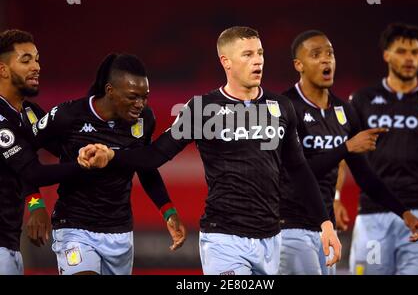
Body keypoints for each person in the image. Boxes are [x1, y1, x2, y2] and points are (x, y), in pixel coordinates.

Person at [78, 26, 341, 275]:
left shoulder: (281, 106)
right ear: (226, 61)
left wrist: (325, 223)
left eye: (260, 53)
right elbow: (154, 156)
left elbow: (298, 169)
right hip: (223, 238)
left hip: (271, 239)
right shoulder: (203, 109)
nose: (258, 61)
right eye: (248, 54)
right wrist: (112, 155)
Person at [278, 30, 418, 275]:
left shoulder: (345, 112)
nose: (327, 60)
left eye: (330, 53)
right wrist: (345, 147)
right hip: (289, 226)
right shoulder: (285, 107)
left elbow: (365, 175)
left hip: (326, 229)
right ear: (299, 65)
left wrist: (404, 213)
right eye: (316, 55)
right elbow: (294, 173)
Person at [32, 53, 187, 275]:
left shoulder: (145, 119)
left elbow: (144, 164)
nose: (140, 104)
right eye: (133, 97)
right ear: (110, 90)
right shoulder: (68, 115)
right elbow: (24, 156)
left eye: (145, 97)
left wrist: (168, 210)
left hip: (119, 231)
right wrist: (35, 204)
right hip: (74, 226)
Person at [339, 23, 418, 275]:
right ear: (386, 55)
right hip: (373, 214)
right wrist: (335, 198)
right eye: (401, 51)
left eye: (415, 52)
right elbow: (343, 153)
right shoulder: (363, 99)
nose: (409, 58)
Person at [0, 29, 86, 274]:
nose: (36, 66)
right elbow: (33, 172)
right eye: (26, 60)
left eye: (37, 59)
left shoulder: (28, 113)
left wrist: (100, 143)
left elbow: (64, 149)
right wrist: (85, 166)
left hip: (9, 243)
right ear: (3, 70)